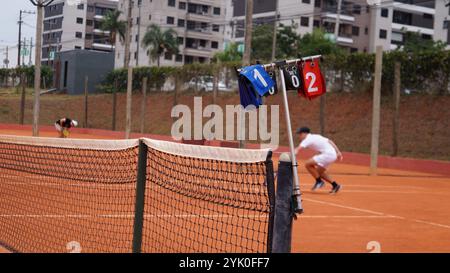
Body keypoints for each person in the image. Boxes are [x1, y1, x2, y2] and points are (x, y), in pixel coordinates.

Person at [294, 127, 342, 194]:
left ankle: (319, 181)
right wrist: (338, 152)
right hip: (332, 154)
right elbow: (330, 141)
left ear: (305, 133)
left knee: (307, 164)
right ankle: (335, 185)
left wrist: (291, 154)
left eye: (300, 134)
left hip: (328, 154)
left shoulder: (308, 139)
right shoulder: (316, 136)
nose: (299, 136)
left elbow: (298, 149)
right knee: (319, 172)